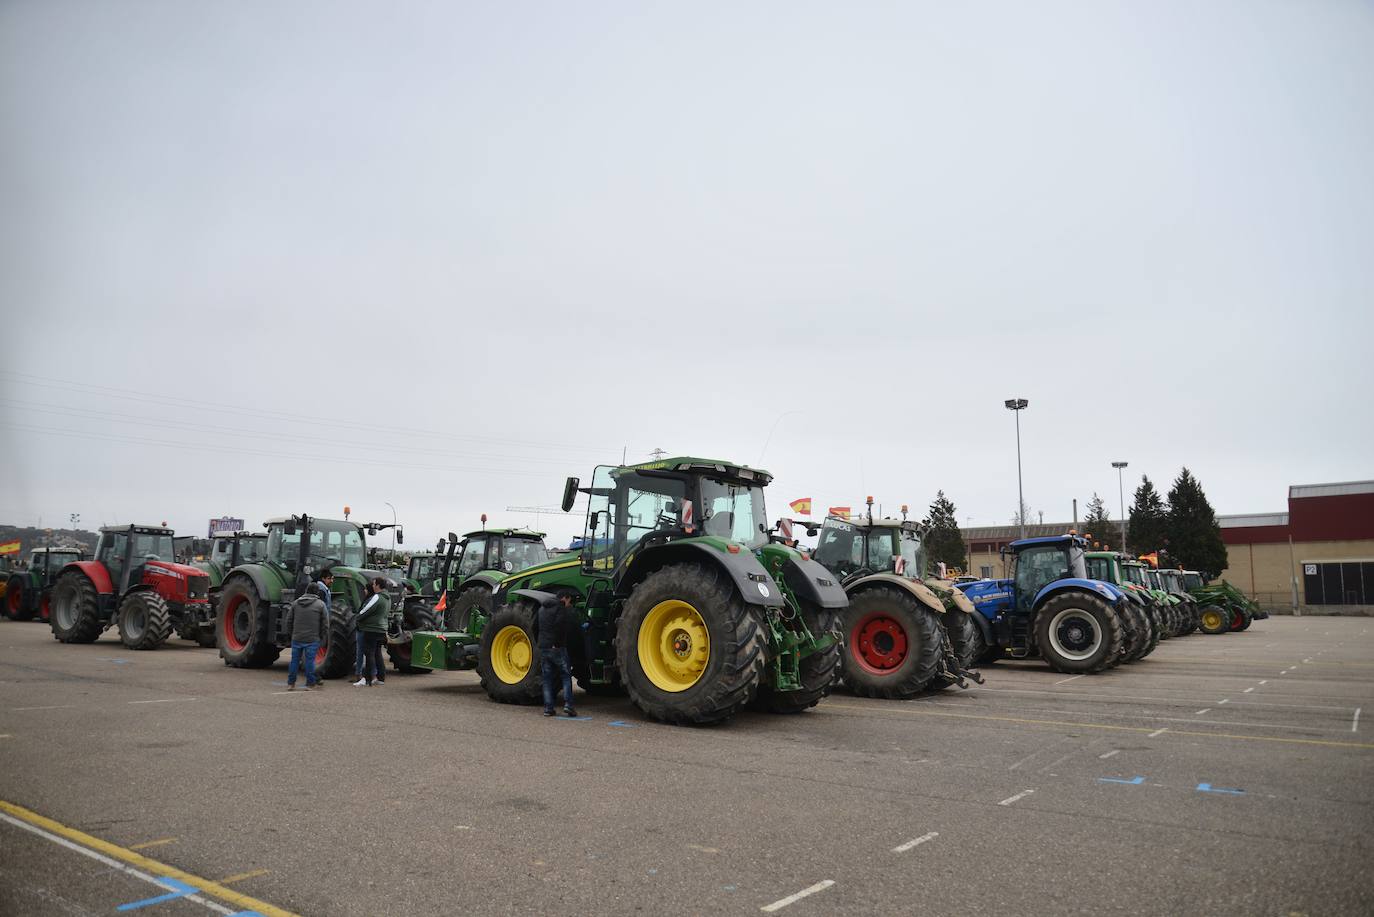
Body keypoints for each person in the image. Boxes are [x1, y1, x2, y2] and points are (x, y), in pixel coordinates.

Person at [539, 593, 577, 717]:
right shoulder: (560, 609)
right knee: (566, 675)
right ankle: (568, 705)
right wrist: (557, 643)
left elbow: (537, 627)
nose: (569, 604)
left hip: (544, 647)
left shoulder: (542, 609)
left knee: (547, 679)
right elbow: (559, 626)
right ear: (564, 598)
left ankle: (548, 708)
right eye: (569, 601)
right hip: (557, 648)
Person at [283, 589, 326, 690]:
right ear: (316, 593)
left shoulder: (295, 603)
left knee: (294, 661)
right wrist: (322, 636)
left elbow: (288, 620)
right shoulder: (320, 605)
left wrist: (291, 634)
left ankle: (291, 683)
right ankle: (310, 684)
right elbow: (325, 623)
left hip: (297, 637)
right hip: (312, 638)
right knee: (310, 662)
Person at [353, 577, 391, 687]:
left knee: (369, 653)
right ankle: (381, 678)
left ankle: (366, 678)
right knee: (378, 653)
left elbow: (365, 611)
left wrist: (358, 618)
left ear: (378, 585)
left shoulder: (377, 597)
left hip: (372, 629)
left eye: (374, 584)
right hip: (381, 629)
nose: (373, 586)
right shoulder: (387, 598)